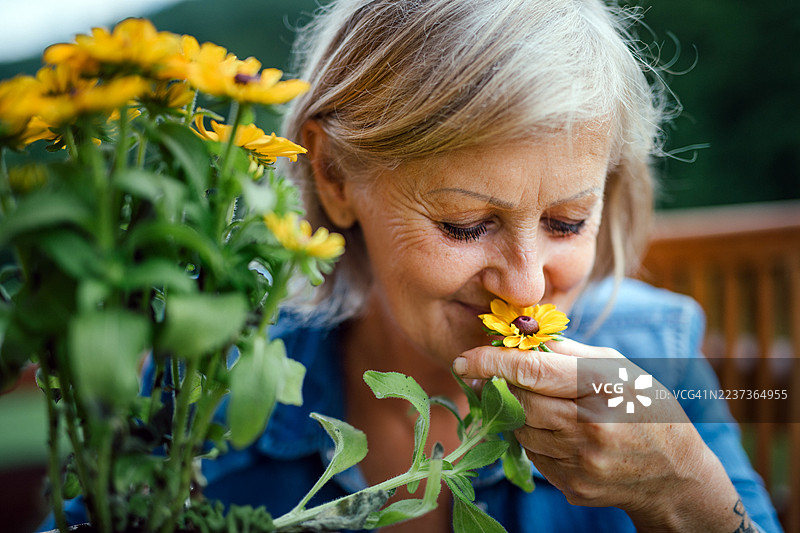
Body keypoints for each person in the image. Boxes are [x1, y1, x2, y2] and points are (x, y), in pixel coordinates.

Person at [47, 1, 781, 532]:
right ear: (334, 175)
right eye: (466, 224)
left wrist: (686, 493)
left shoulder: (654, 353)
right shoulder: (211, 378)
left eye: (566, 221)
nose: (526, 285)